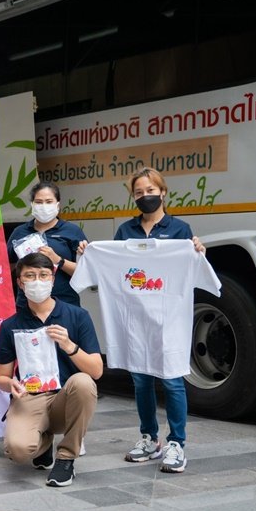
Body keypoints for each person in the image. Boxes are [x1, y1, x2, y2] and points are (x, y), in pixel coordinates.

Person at [76, 167, 207, 473]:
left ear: (163, 192)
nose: (145, 197)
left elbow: (193, 269)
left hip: (168, 320)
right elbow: (113, 268)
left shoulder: (180, 230)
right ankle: (149, 437)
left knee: (172, 379)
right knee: (141, 379)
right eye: (138, 192)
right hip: (135, 320)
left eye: (150, 190)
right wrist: (89, 253)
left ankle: (177, 443)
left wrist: (198, 252)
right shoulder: (126, 232)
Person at [0, 252, 102, 488]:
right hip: (31, 396)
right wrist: (9, 384)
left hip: (67, 397)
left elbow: (96, 371)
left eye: (43, 275)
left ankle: (66, 458)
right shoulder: (10, 325)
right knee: (18, 450)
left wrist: (69, 346)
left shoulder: (77, 316)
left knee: (84, 382)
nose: (37, 281)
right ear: (20, 283)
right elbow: (1, 376)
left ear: (53, 279)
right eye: (30, 276)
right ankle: (42, 443)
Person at [7, 181, 87, 306]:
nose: (43, 206)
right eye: (39, 202)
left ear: (58, 204)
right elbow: (6, 268)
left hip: (64, 303)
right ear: (32, 204)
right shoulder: (19, 233)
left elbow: (85, 273)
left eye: (49, 201)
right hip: (26, 306)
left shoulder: (72, 231)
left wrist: (59, 260)